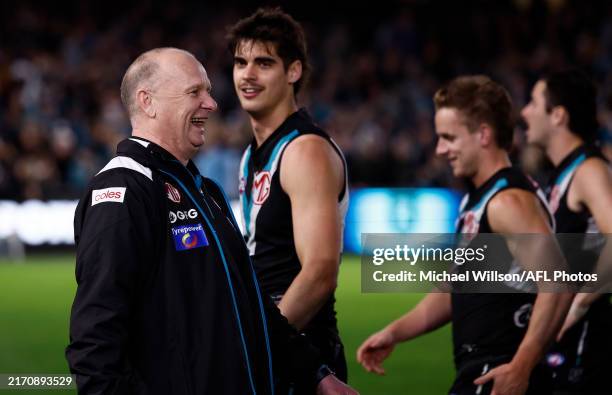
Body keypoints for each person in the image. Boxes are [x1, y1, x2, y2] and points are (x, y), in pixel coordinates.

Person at [65, 47, 357, 395]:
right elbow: (95, 341)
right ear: (148, 102)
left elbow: (251, 301)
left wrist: (316, 374)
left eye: (209, 91)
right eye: (195, 92)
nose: (212, 104)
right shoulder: (123, 190)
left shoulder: (206, 192)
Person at [357, 75, 573, 395]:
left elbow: (558, 279)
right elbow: (456, 288)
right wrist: (395, 332)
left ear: (483, 134)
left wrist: (522, 365)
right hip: (482, 372)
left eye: (449, 138)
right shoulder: (480, 199)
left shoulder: (507, 202)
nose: (441, 150)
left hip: (500, 372)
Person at [227, 8, 350, 392]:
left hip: (300, 350)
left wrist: (259, 342)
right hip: (279, 341)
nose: (248, 74)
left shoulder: (304, 150)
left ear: (293, 72)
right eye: (240, 62)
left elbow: (319, 272)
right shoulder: (254, 153)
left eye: (264, 63)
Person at [522, 69, 612, 394]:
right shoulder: (563, 174)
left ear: (558, 115)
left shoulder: (589, 170)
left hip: (582, 346)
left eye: (533, 102)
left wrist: (582, 301)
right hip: (561, 343)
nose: (524, 112)